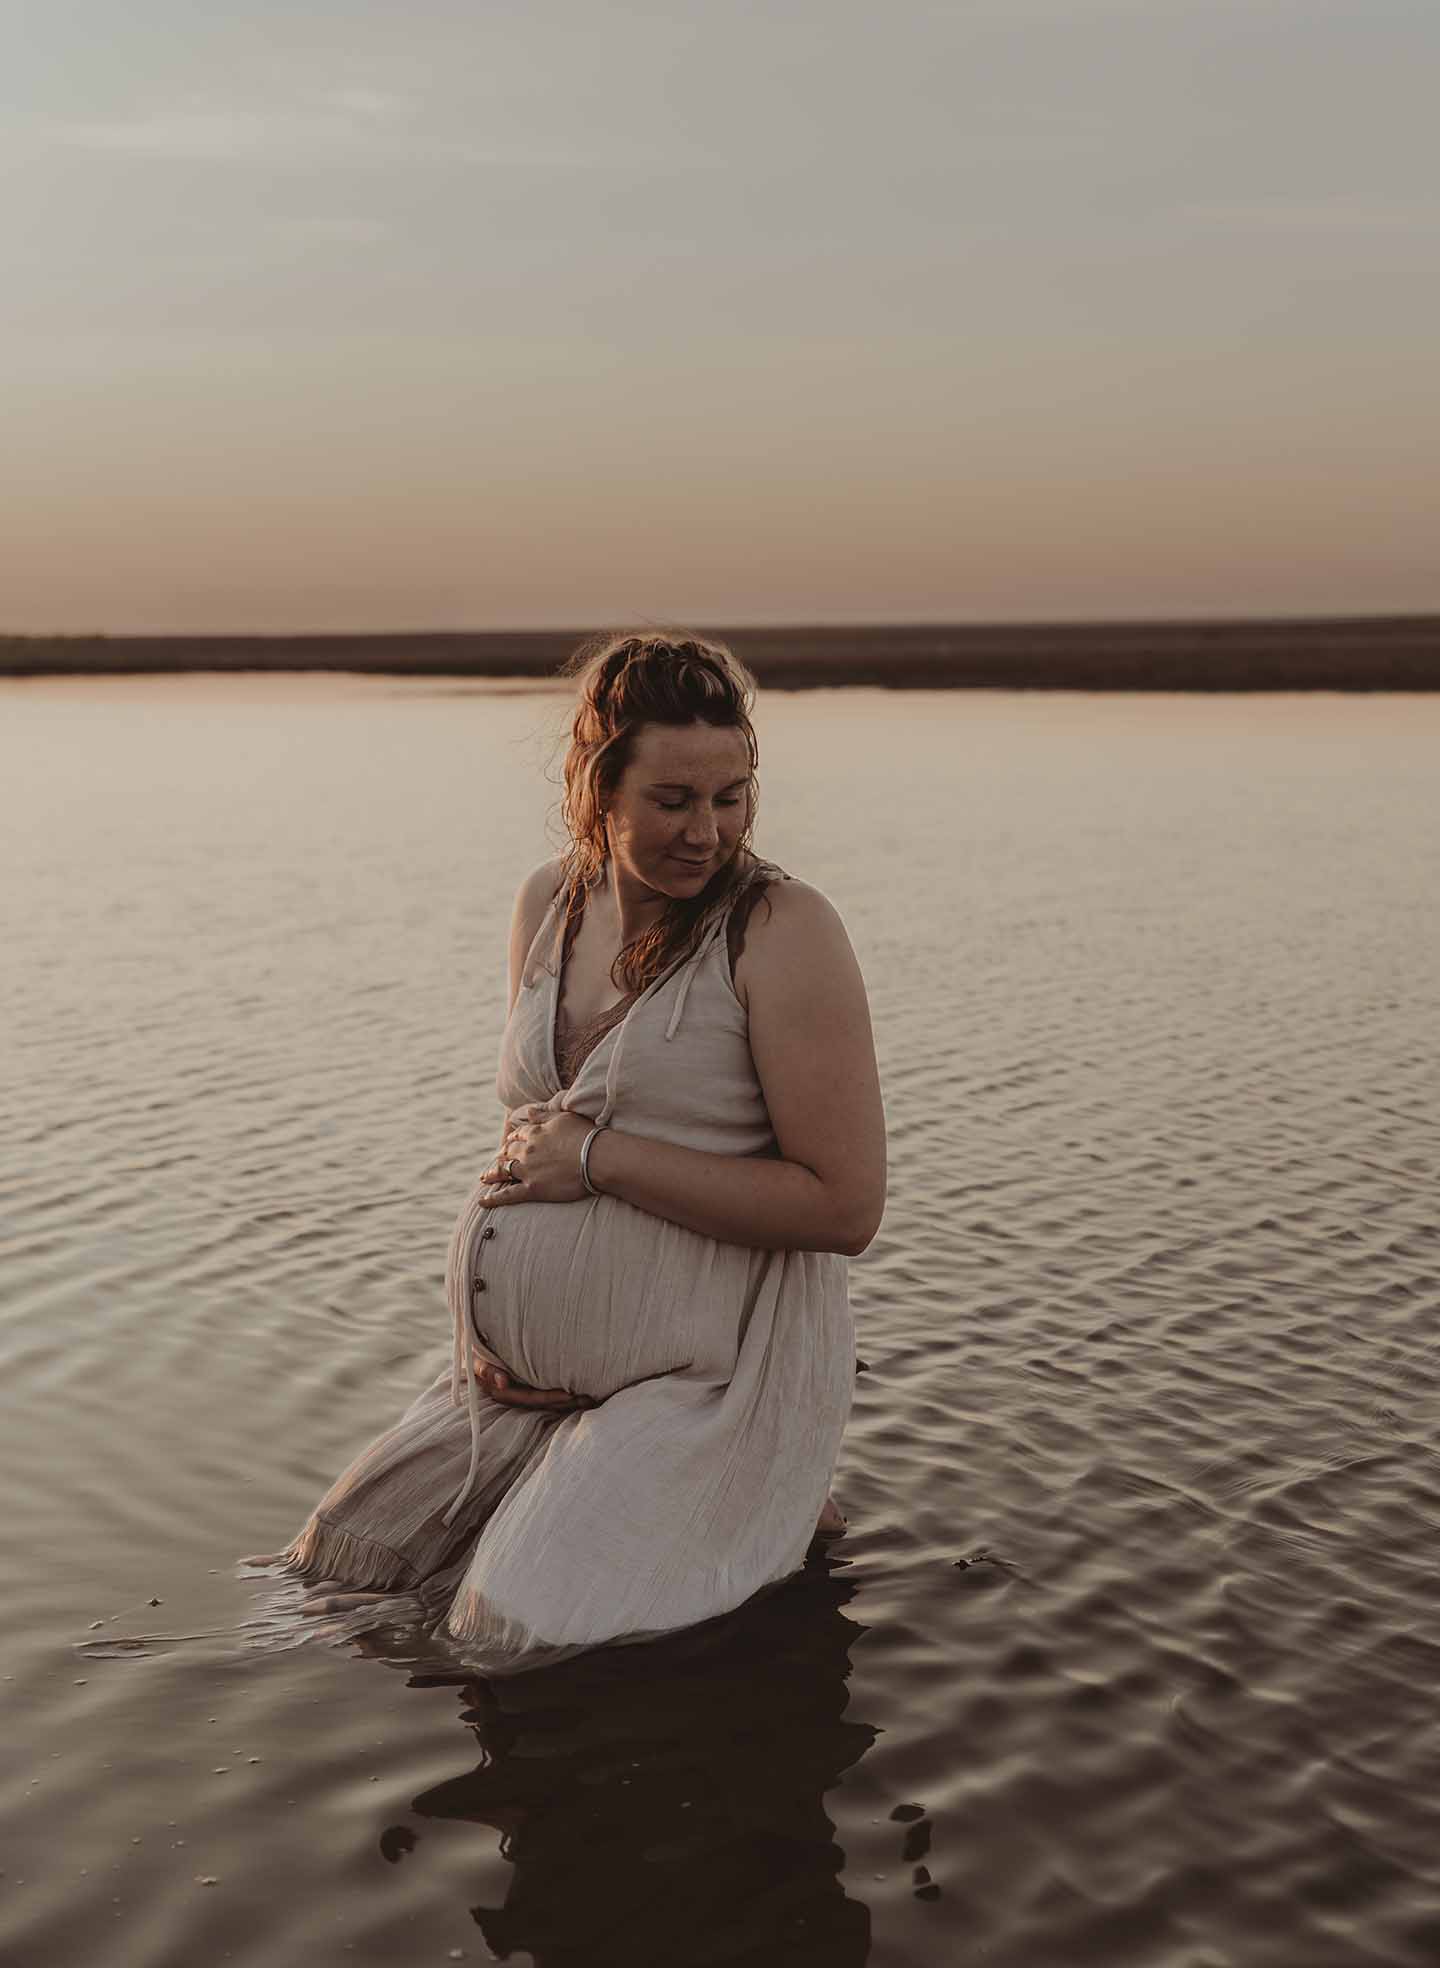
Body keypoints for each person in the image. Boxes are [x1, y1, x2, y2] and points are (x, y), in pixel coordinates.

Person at [244, 630, 887, 1674]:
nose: (708, 831)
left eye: (732, 797)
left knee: (507, 1637)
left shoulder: (781, 929)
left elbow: (844, 1207)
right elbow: (536, 1130)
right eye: (672, 801)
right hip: (510, 1384)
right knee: (332, 1574)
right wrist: (498, 1332)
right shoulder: (549, 904)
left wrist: (599, 1163)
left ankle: (753, 1491)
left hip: (708, 1375)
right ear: (597, 788)